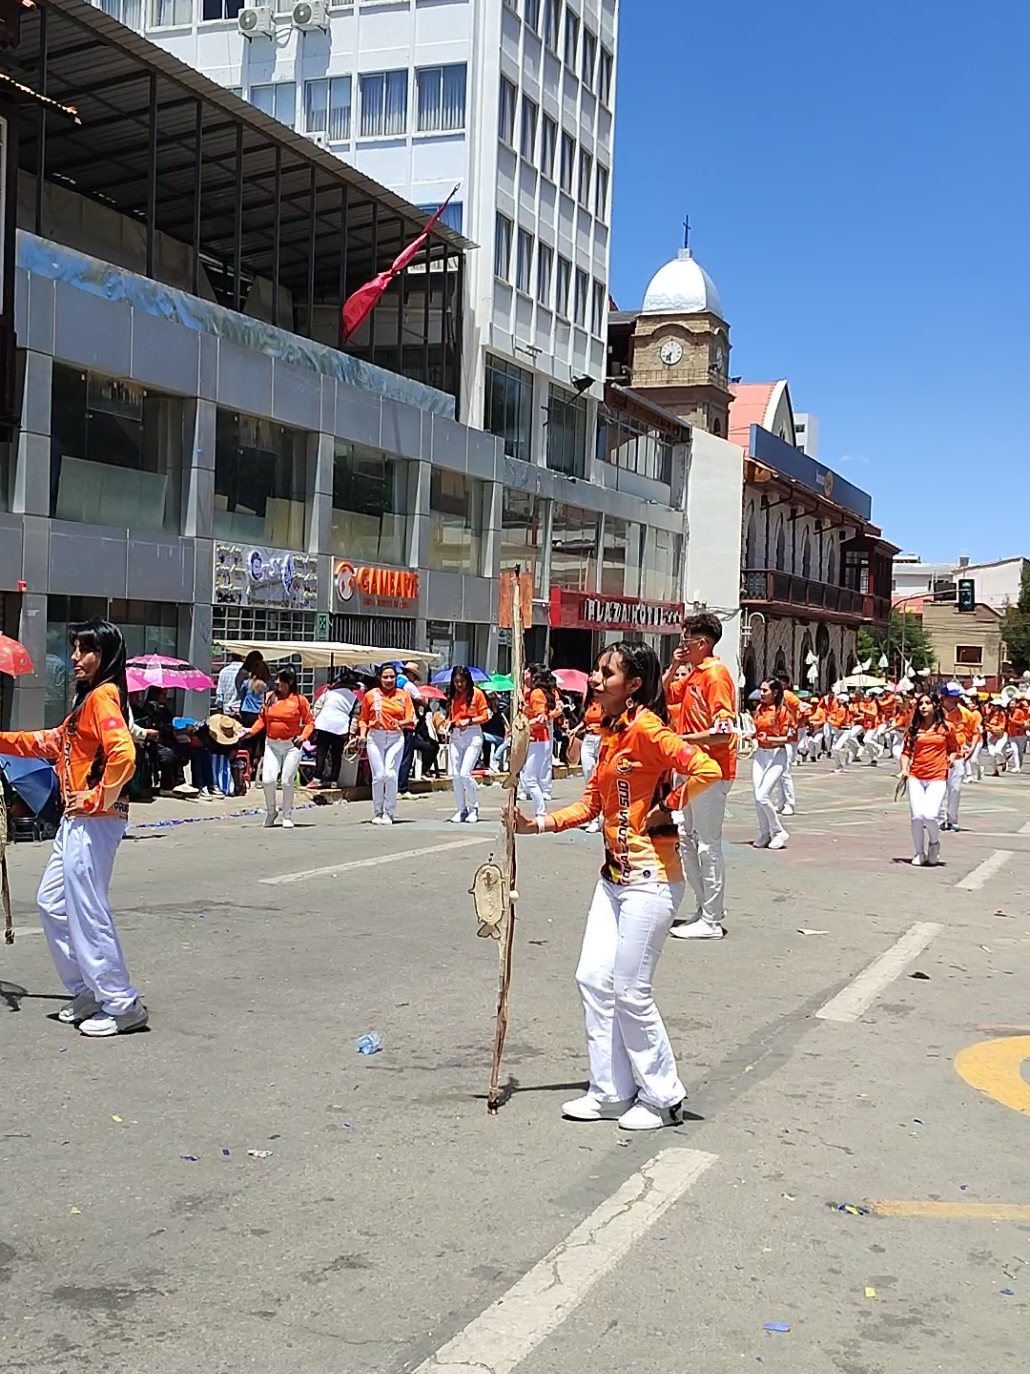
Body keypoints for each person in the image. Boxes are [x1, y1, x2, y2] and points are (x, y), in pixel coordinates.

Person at [514, 642, 721, 1130]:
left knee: (631, 990)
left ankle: (663, 1096)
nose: (595, 677)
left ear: (633, 686)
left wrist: (668, 805)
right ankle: (610, 1091)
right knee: (592, 978)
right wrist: (534, 824)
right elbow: (589, 805)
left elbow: (706, 768)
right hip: (613, 879)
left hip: (651, 879)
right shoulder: (606, 733)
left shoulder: (649, 730)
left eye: (607, 673)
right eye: (597, 670)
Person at [0, 619, 148, 1036]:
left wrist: (99, 795)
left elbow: (124, 755)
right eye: (75, 649)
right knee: (51, 903)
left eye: (86, 650)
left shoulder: (104, 697)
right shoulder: (88, 702)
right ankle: (86, 988)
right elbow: (50, 743)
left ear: (106, 656)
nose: (75, 658)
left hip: (94, 821)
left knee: (87, 910)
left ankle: (120, 1002)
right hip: (77, 821)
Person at [662, 612, 738, 940]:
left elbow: (722, 733)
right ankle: (702, 908)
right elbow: (664, 695)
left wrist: (684, 741)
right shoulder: (694, 674)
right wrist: (671, 666)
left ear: (702, 642)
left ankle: (712, 917)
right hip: (690, 768)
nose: (682, 645)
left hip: (711, 768)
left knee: (707, 844)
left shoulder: (716, 675)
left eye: (686, 640)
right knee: (687, 841)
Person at [243, 668, 314, 829]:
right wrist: (251, 731)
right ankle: (271, 811)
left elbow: (310, 722)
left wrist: (303, 736)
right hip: (272, 744)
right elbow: (262, 719)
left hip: (292, 745)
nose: (276, 683)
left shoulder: (299, 700)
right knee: (268, 780)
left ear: (289, 682)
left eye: (280, 680)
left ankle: (287, 815)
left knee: (287, 781)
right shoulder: (269, 697)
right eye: (276, 679)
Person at [901, 692, 959, 866]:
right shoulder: (914, 729)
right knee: (917, 817)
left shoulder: (947, 727)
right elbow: (906, 752)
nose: (923, 706)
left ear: (935, 706)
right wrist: (904, 769)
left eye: (927, 703)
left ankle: (934, 843)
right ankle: (919, 853)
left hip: (937, 777)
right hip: (916, 777)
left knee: (930, 815)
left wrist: (952, 758)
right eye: (921, 704)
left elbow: (953, 748)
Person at [357, 663, 415, 824]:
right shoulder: (370, 695)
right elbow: (363, 719)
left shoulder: (403, 695)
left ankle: (389, 812)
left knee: (390, 774)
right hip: (375, 737)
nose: (389, 680)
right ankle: (378, 811)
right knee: (379, 776)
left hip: (395, 737)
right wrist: (362, 735)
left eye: (392, 677)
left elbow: (411, 718)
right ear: (379, 678)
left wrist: (401, 723)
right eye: (385, 677)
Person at [750, 678, 793, 850]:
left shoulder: (782, 711)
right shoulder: (760, 709)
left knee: (763, 795)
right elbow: (758, 731)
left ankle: (778, 831)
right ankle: (765, 833)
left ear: (774, 692)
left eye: (765, 690)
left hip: (777, 754)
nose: (761, 694)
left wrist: (770, 739)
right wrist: (753, 736)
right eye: (761, 690)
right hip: (761, 754)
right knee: (757, 797)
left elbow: (788, 738)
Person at [446, 665, 490, 824]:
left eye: (462, 681)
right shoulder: (452, 695)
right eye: (456, 681)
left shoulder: (477, 693)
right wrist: (447, 723)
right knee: (456, 775)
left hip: (473, 733)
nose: (459, 685)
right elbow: (451, 716)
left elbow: (486, 715)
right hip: (456, 734)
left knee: (465, 772)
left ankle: (474, 807)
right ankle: (461, 809)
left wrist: (469, 720)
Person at [520, 664, 561, 817]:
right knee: (529, 777)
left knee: (530, 778)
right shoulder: (533, 692)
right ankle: (540, 811)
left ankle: (541, 812)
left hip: (537, 739)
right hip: (536, 739)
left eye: (527, 673)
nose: (525, 675)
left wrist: (524, 725)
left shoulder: (536, 693)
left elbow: (541, 717)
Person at [308, 670, 359, 788]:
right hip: (340, 727)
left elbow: (317, 707)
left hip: (324, 724)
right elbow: (355, 717)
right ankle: (334, 781)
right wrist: (351, 732)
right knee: (336, 755)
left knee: (321, 752)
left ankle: (317, 778)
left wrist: (314, 721)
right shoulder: (354, 699)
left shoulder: (328, 693)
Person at [939, 682, 976, 831]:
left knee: (955, 789)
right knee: (939, 789)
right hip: (938, 756)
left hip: (958, 757)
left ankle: (953, 819)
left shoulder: (965, 713)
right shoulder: (935, 713)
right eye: (952, 697)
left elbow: (974, 732)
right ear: (944, 696)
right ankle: (940, 819)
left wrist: (972, 749)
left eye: (958, 697)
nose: (956, 700)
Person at [569, 683, 604, 833]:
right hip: (588, 740)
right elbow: (585, 719)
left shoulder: (608, 701)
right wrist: (576, 729)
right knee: (589, 778)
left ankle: (605, 817)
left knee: (603, 778)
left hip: (603, 739)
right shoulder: (589, 701)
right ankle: (593, 817)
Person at [396, 661, 424, 799]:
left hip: (393, 724)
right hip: (406, 724)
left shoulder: (394, 682)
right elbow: (422, 700)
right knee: (406, 756)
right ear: (411, 674)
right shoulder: (408, 685)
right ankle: (402, 788)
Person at [984, 699, 1009, 776]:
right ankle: (995, 770)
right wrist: (988, 728)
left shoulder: (1002, 714)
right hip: (991, 735)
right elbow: (985, 724)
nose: (993, 707)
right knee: (991, 753)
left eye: (995, 706)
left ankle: (1003, 762)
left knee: (997, 750)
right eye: (992, 706)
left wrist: (990, 726)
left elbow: (1001, 727)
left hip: (1001, 735)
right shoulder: (990, 714)